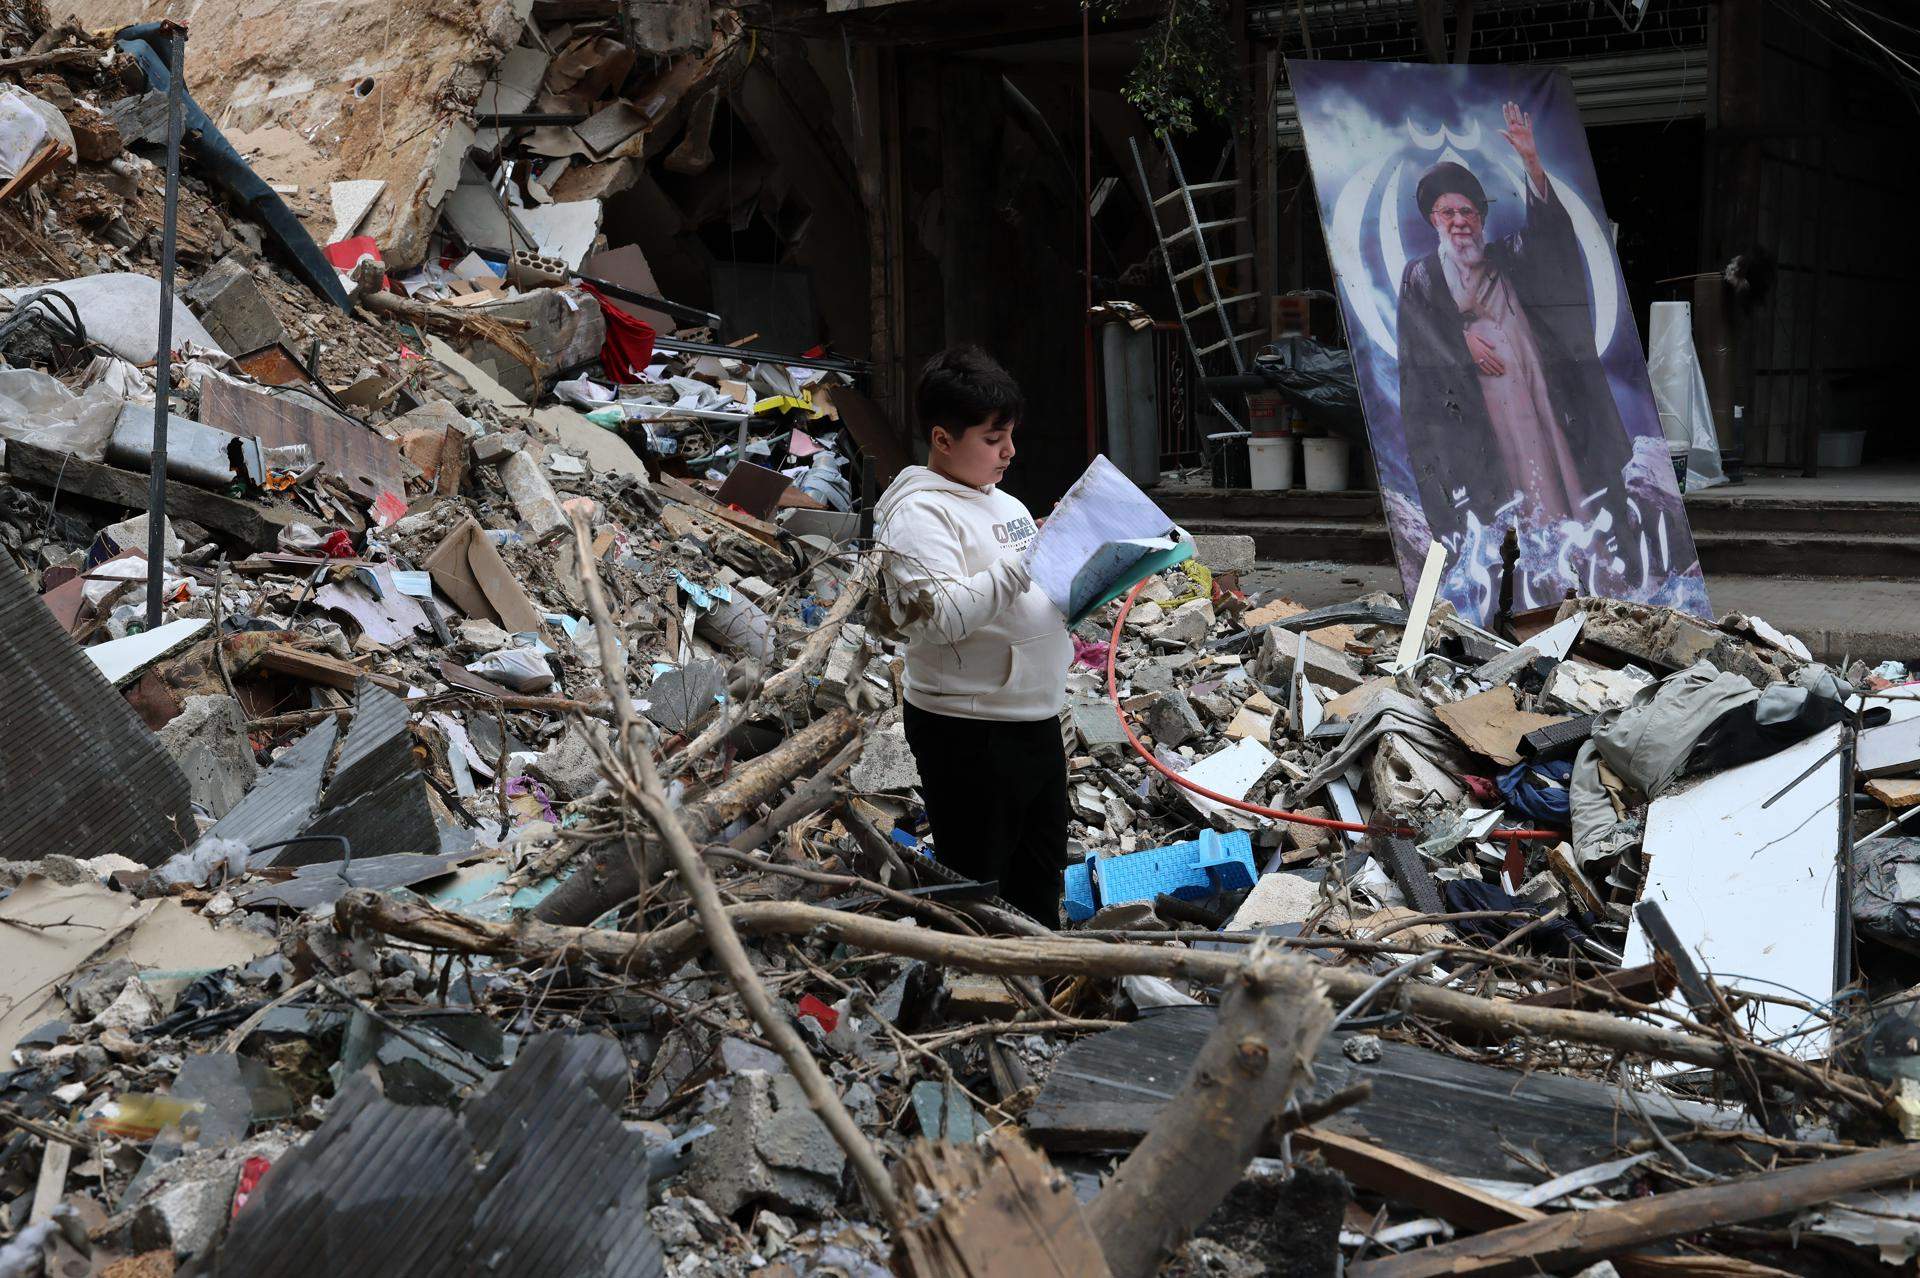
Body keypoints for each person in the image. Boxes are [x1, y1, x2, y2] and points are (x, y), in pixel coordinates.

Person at [873, 346, 1074, 924]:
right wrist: (1028, 560)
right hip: (970, 730)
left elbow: (1024, 592)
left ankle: (1038, 971)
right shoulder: (918, 515)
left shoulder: (1002, 501)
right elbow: (941, 618)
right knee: (978, 890)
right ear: (942, 439)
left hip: (1035, 718)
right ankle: (970, 976)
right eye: (992, 439)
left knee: (1039, 878)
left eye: (1010, 435)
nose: (1009, 451)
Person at [1395, 101, 1632, 549]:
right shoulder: (1421, 274)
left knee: (1553, 466)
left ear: (1480, 218)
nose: (1459, 221)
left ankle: (1568, 546)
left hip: (1535, 389)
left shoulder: (1507, 255)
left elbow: (1550, 238)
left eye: (1468, 211)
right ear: (1433, 220)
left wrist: (1532, 164)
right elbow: (1416, 342)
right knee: (1505, 487)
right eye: (1447, 212)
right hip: (1476, 408)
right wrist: (1461, 343)